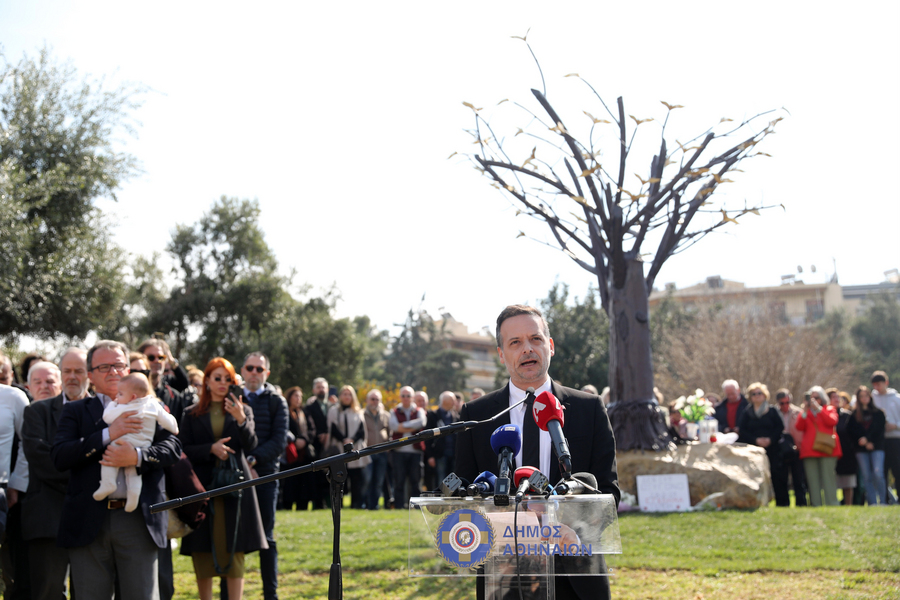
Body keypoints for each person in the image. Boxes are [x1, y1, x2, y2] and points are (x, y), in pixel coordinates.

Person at [455, 304, 619, 600]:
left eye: (536, 339)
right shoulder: (477, 416)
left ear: (550, 346)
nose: (527, 349)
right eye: (515, 342)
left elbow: (608, 491)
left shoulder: (589, 408)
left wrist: (575, 532)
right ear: (501, 354)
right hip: (502, 574)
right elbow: (464, 492)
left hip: (576, 571)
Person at [51, 340, 182, 600]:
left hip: (138, 520)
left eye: (119, 365)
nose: (113, 371)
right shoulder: (76, 411)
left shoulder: (150, 405)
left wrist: (137, 456)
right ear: (90, 375)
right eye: (104, 367)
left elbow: (173, 448)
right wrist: (108, 434)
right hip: (88, 523)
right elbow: (60, 455)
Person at [179, 357, 266, 600]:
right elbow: (183, 448)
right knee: (203, 548)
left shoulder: (243, 409)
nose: (222, 383)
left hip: (236, 487)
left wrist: (241, 419)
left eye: (227, 379)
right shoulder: (191, 413)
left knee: (235, 547)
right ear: (206, 381)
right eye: (217, 378)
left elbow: (251, 445)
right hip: (203, 486)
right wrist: (210, 448)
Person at [22, 348, 90, 600]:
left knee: (92, 592)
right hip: (48, 518)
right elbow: (42, 460)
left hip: (93, 520)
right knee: (49, 591)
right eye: (67, 371)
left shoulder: (105, 411)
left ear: (90, 374)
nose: (72, 377)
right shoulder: (36, 412)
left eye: (79, 371)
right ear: (61, 374)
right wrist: (87, 469)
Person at [239, 352, 288, 600]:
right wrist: (244, 463)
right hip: (235, 476)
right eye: (250, 368)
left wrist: (253, 460)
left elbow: (279, 440)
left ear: (267, 373)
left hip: (266, 475)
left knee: (267, 536)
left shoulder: (277, 401)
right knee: (234, 536)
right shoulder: (231, 396)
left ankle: (271, 594)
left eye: (260, 369)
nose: (254, 373)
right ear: (243, 370)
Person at [94, 373, 179, 512]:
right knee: (134, 473)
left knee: (109, 459)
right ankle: (133, 497)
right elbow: (168, 421)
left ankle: (108, 483)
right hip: (142, 446)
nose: (117, 397)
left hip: (121, 444)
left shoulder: (123, 407)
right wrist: (175, 428)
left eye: (120, 394)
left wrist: (112, 404)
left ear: (132, 397)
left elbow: (107, 417)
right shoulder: (153, 405)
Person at [737, 383, 788, 506]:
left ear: (765, 395)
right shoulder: (747, 412)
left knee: (777, 476)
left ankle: (782, 503)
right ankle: (759, 502)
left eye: (759, 393)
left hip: (773, 449)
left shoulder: (772, 411)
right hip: (754, 451)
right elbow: (742, 430)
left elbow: (780, 427)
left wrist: (770, 439)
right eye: (754, 394)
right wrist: (755, 440)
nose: (757, 396)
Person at [796, 386, 842, 507]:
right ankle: (816, 504)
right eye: (810, 398)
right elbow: (799, 427)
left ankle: (832, 503)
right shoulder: (805, 412)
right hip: (809, 450)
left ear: (821, 398)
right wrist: (805, 411)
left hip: (827, 448)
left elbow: (832, 422)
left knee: (828, 478)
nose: (813, 400)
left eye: (816, 398)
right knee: (812, 480)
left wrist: (819, 409)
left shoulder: (829, 409)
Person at [325, 385, 370, 508]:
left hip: (355, 448)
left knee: (357, 479)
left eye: (349, 394)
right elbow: (332, 428)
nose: (347, 396)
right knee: (340, 477)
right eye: (344, 394)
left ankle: (356, 504)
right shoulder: (334, 411)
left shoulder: (357, 411)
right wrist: (344, 439)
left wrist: (352, 440)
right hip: (339, 448)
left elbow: (362, 430)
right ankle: (338, 504)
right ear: (340, 396)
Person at [389, 386, 426, 509]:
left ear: (412, 397)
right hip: (399, 451)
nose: (406, 398)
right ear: (400, 397)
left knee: (415, 481)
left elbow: (421, 422)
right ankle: (399, 506)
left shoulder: (419, 410)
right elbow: (394, 427)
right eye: (403, 396)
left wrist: (402, 426)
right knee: (399, 481)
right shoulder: (394, 411)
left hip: (415, 451)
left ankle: (415, 507)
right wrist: (412, 426)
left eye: (408, 396)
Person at [848, 385, 887, 505]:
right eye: (861, 396)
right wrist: (862, 441)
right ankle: (873, 502)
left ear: (870, 396)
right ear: (858, 398)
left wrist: (869, 440)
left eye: (866, 395)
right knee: (866, 476)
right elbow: (851, 431)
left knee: (878, 473)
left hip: (877, 447)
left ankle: (883, 501)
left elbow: (880, 430)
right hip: (861, 449)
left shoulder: (879, 413)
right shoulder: (854, 415)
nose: (864, 398)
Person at [280, 386, 313, 511]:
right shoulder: (284, 412)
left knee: (303, 482)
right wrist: (294, 440)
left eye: (300, 396)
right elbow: (282, 429)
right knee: (290, 482)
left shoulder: (304, 413)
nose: (298, 399)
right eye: (296, 396)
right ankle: (287, 506)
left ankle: (302, 506)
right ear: (289, 397)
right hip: (289, 453)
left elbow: (311, 429)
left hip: (304, 454)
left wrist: (304, 440)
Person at [870, 371, 900, 502]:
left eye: (879, 384)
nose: (877, 387)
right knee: (882, 471)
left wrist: (896, 425)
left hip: (895, 438)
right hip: (879, 440)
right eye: (874, 385)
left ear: (886, 383)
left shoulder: (897, 398)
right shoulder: (872, 398)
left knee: (897, 469)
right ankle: (885, 499)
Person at [775, 389, 807, 506]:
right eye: (782, 403)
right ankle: (784, 504)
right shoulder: (775, 413)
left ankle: (801, 503)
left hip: (796, 449)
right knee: (782, 479)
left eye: (787, 402)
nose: (785, 406)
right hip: (781, 450)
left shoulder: (798, 412)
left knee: (798, 479)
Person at [304, 377, 331, 510]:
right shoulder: (309, 407)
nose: (321, 390)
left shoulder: (332, 406)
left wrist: (328, 435)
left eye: (323, 387)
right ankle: (318, 504)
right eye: (319, 387)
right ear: (314, 390)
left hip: (330, 446)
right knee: (317, 476)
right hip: (316, 445)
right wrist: (320, 435)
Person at [828, 388, 857, 506]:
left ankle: (848, 505)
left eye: (837, 397)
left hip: (846, 453)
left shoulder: (847, 416)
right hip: (829, 452)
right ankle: (833, 504)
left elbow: (854, 433)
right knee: (831, 481)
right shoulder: (824, 414)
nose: (837, 399)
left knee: (847, 482)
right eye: (833, 397)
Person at [363, 389, 391, 510]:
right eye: (372, 399)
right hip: (366, 452)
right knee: (367, 480)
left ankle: (374, 505)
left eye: (377, 399)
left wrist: (389, 445)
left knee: (379, 481)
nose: (374, 402)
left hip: (382, 452)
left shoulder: (386, 415)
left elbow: (390, 432)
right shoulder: (361, 414)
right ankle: (365, 504)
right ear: (367, 400)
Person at [425, 391, 458, 486]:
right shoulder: (433, 415)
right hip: (439, 454)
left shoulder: (456, 416)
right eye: (452, 400)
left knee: (453, 481)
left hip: (453, 454)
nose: (454, 402)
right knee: (440, 479)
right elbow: (428, 437)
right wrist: (430, 456)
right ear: (445, 401)